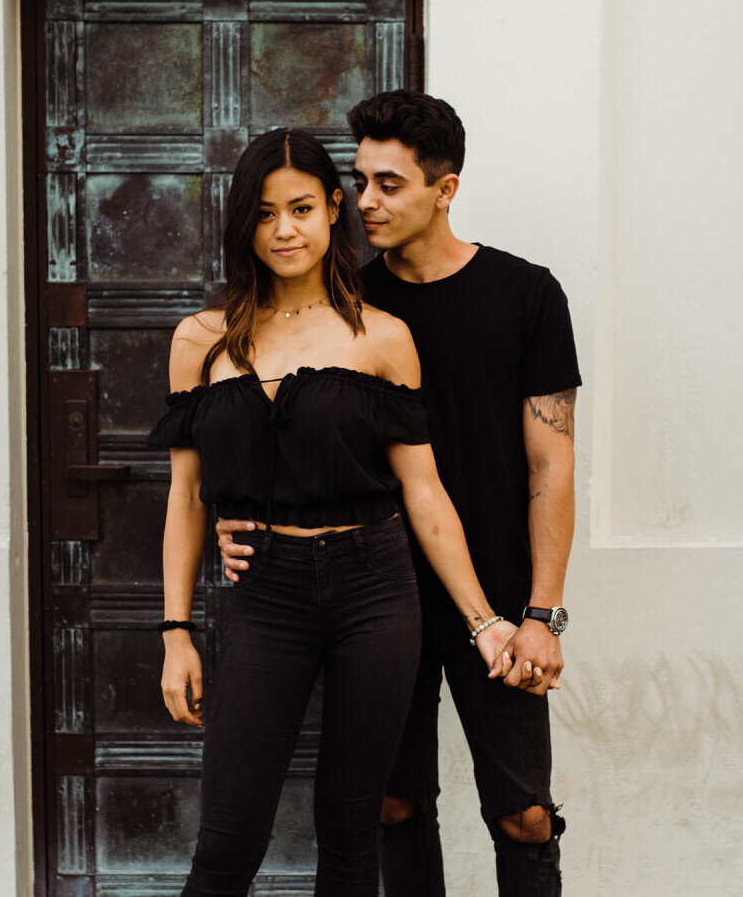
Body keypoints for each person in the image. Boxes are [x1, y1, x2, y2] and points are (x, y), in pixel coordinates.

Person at [219, 92, 581, 897]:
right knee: (392, 806)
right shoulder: (351, 307)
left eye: (390, 184)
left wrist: (542, 612)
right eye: (362, 181)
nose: (367, 203)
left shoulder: (527, 295)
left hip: (497, 593)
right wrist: (238, 519)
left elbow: (551, 465)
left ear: (444, 189)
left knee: (523, 814)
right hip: (375, 595)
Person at [150, 127, 526, 897]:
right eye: (262, 214)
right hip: (265, 594)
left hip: (375, 591)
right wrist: (176, 632)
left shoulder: (383, 338)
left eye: (300, 209)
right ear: (242, 225)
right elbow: (187, 495)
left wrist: (484, 619)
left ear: (332, 211)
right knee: (228, 839)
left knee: (352, 832)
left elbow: (424, 496)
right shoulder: (201, 339)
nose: (283, 230)